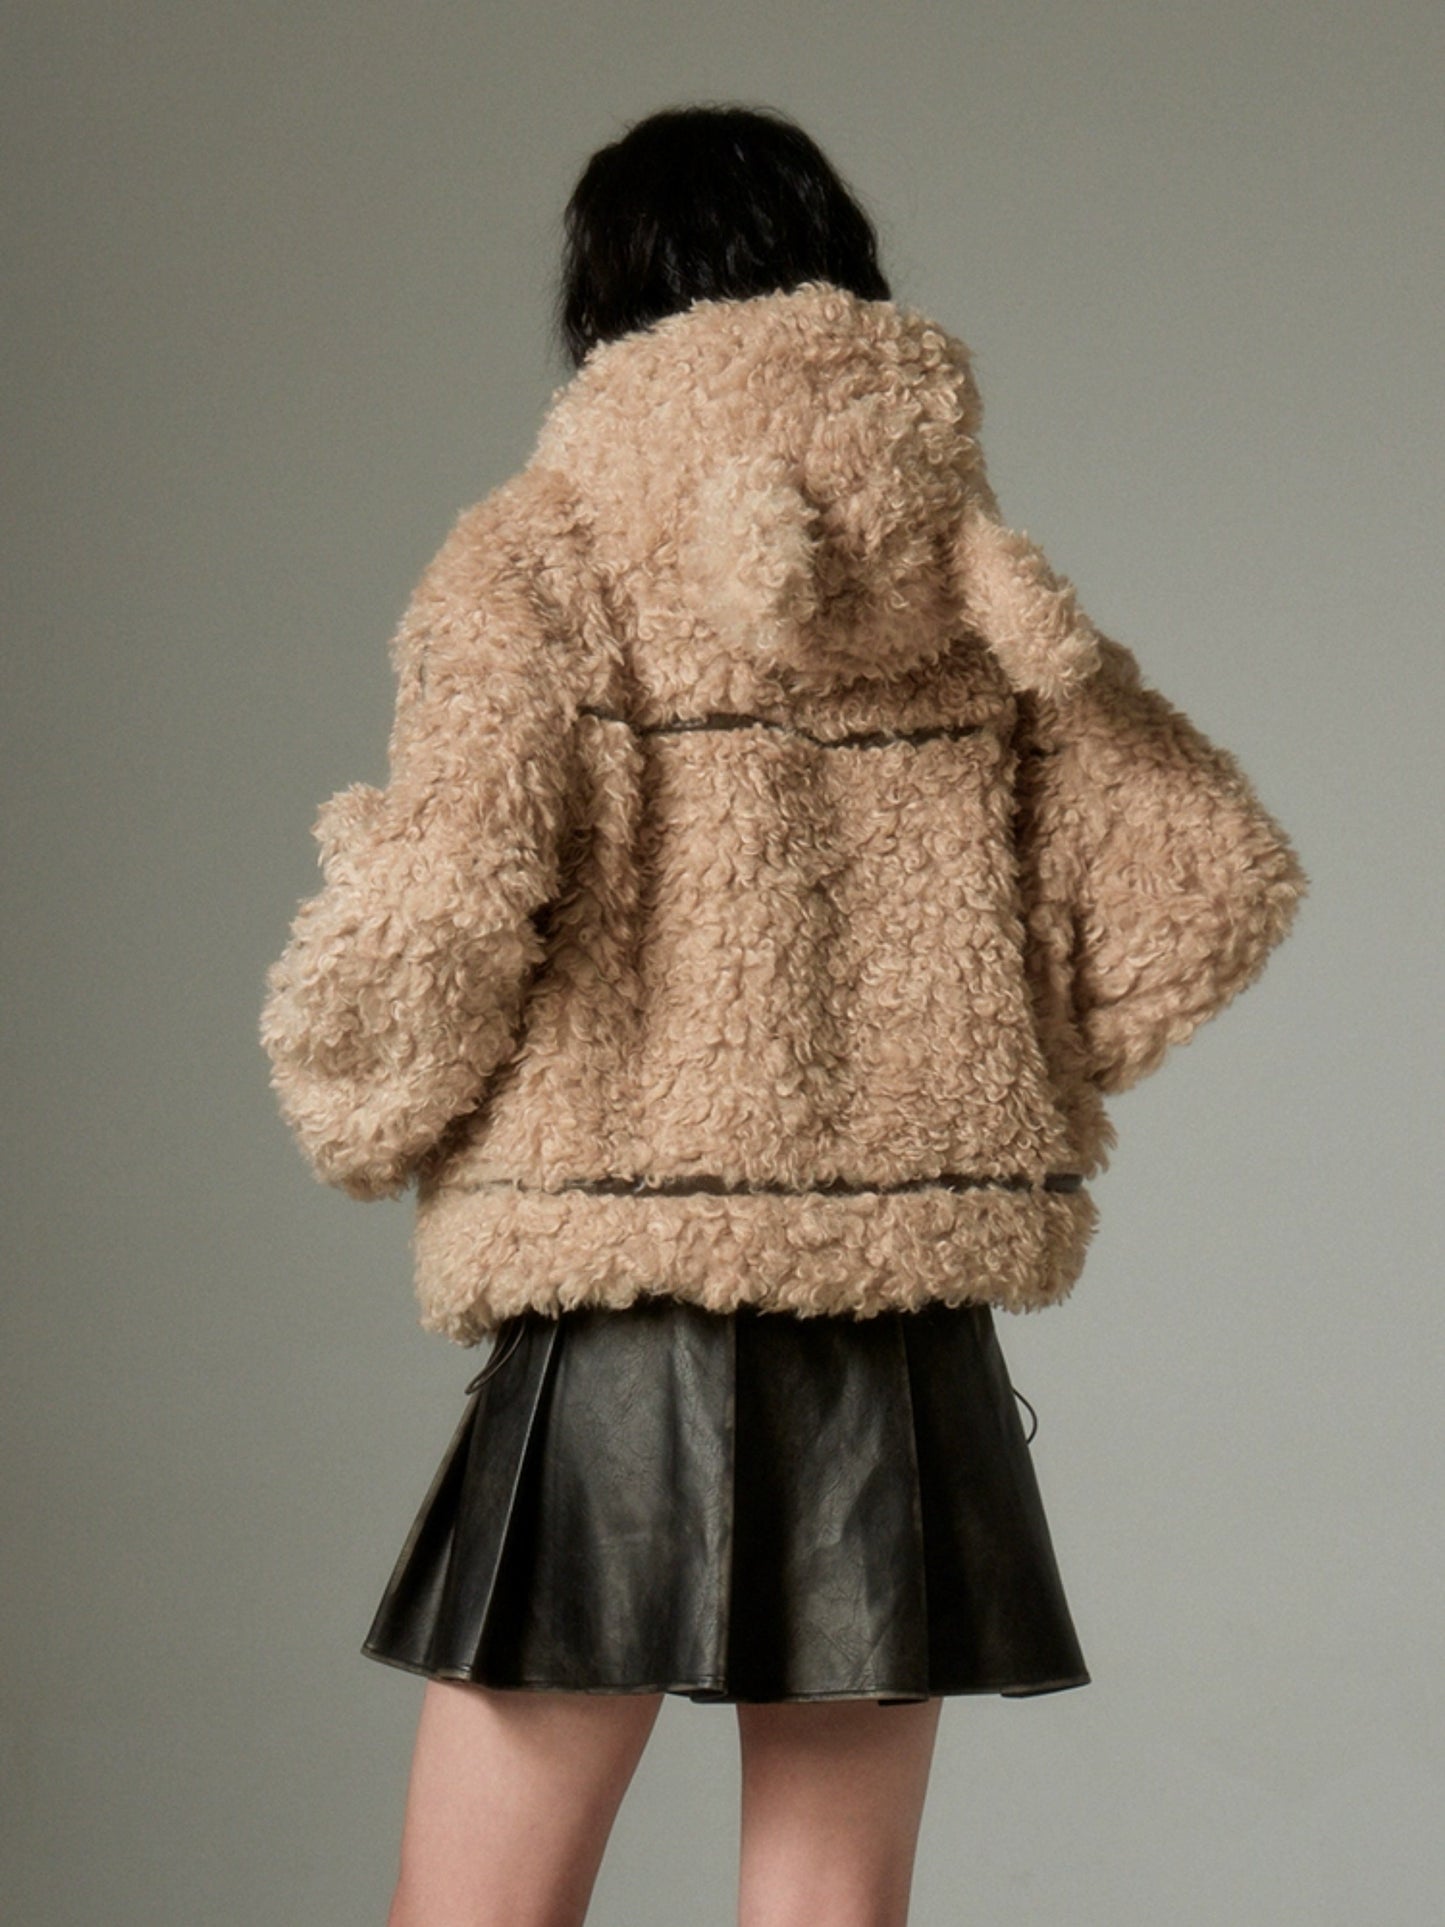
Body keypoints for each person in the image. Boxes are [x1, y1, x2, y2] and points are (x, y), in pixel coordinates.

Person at [259, 101, 1309, 1927]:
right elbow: (1201, 880)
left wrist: (357, 1095)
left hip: (619, 1286)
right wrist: (984, 1067)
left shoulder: (536, 554)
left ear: (603, 300)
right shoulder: (967, 575)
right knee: (830, 1906)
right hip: (893, 1323)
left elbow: (444, 905)